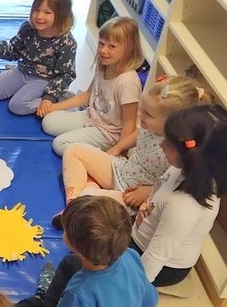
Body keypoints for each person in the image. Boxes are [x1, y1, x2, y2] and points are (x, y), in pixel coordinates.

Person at [15, 196, 159, 307]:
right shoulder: (130, 256)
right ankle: (47, 304)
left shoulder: (79, 293)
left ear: (74, 245)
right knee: (70, 262)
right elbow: (150, 301)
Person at [53, 76, 213, 227]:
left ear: (172, 122)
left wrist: (148, 192)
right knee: (74, 150)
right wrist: (117, 148)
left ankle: (80, 202)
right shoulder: (149, 127)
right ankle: (73, 202)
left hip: (131, 194)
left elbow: (177, 186)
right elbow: (138, 135)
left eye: (147, 114)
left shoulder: (176, 149)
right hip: (122, 169)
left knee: (90, 199)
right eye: (141, 109)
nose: (139, 114)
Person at [131, 104, 227, 286]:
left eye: (168, 144)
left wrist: (132, 288)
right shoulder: (184, 168)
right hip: (140, 238)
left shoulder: (184, 205)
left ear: (192, 155)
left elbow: (156, 257)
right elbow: (162, 191)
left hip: (160, 265)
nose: (161, 145)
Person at [40, 16, 143, 156]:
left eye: (112, 46)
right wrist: (55, 107)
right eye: (101, 44)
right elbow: (88, 95)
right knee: (48, 122)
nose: (103, 50)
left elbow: (129, 121)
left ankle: (100, 154)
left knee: (60, 144)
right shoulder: (105, 66)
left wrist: (120, 151)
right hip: (92, 116)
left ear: (129, 49)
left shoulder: (128, 83)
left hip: (108, 134)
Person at [0, 0, 77, 116]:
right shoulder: (28, 28)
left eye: (47, 12)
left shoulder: (67, 42)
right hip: (22, 71)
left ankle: (61, 98)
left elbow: (66, 75)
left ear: (60, 16)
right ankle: (27, 92)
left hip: (44, 81)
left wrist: (49, 97)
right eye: (36, 10)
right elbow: (13, 50)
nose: (39, 16)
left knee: (17, 106)